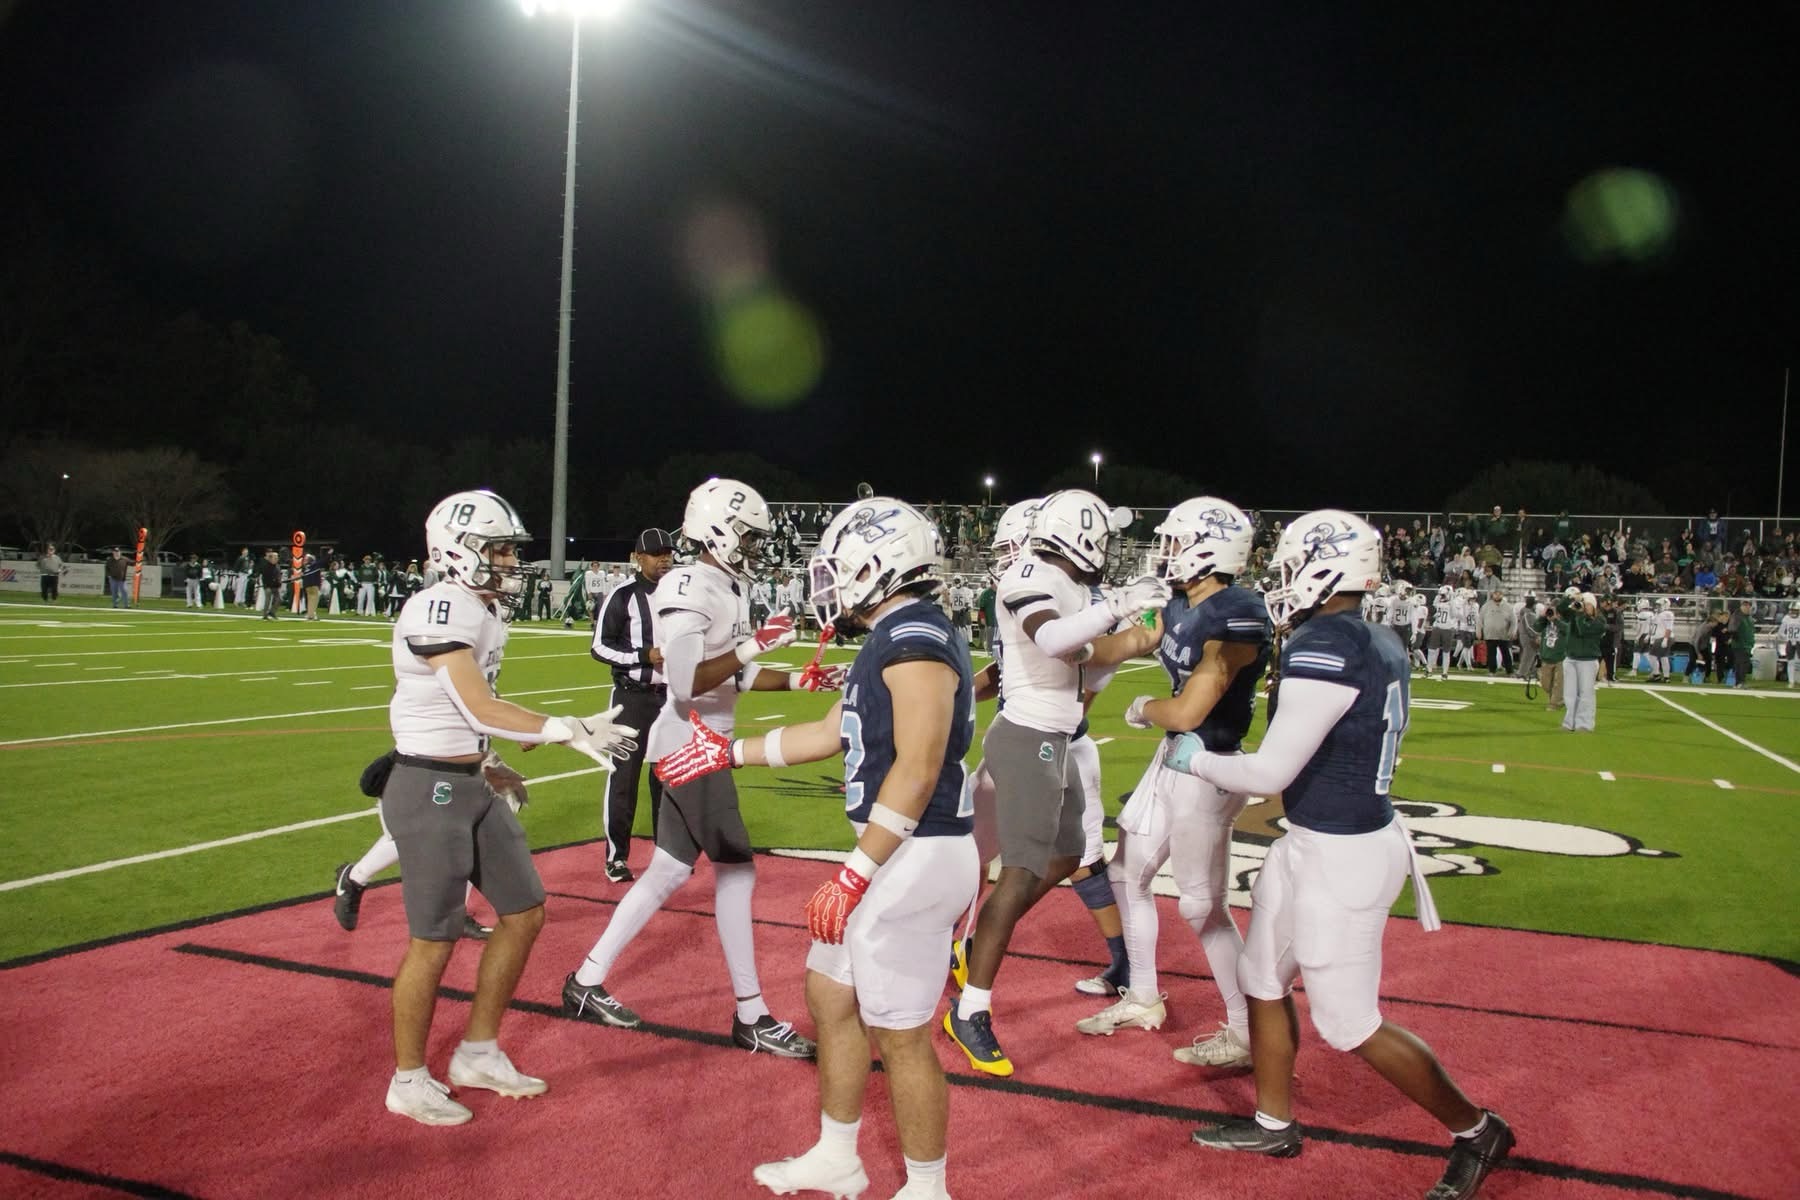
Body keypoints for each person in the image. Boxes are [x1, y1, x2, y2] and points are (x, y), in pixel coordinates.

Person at [1175, 509, 1513, 1200]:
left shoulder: (1324, 642)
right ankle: (1274, 1123)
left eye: (1291, 566)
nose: (1282, 579)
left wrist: (1197, 760)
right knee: (1260, 977)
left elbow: (1270, 772)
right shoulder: (1374, 636)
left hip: (1343, 854)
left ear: (1322, 568)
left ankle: (1478, 1130)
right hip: (1315, 841)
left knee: (1348, 1022)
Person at [659, 498, 975, 1200]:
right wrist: (729, 752)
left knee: (901, 1034)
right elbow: (833, 731)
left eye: (839, 568)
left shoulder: (915, 636)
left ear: (878, 565)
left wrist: (855, 874)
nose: (828, 583)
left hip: (917, 853)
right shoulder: (894, 632)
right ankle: (838, 1156)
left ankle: (927, 1189)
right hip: (898, 849)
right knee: (831, 995)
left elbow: (919, 768)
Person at [378, 488, 637, 1126]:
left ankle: (478, 1052)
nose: (508, 561)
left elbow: (472, 714)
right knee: (434, 940)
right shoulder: (437, 605)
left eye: (507, 550)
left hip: (470, 780)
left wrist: (490, 761)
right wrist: (566, 728)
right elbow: (478, 704)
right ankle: (407, 1079)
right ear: (456, 551)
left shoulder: (486, 610)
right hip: (429, 787)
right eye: (496, 549)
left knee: (524, 912)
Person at [563, 478, 821, 1058]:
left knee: (669, 869)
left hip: (697, 740)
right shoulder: (688, 584)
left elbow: (732, 674)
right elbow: (683, 681)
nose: (753, 547)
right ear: (718, 531)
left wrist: (800, 679)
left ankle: (585, 980)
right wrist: (756, 644)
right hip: (692, 745)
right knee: (736, 872)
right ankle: (751, 1015)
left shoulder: (723, 585)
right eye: (747, 536)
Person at [943, 489, 1169, 1077]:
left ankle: (981, 939)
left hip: (1057, 739)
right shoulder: (1029, 574)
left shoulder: (1068, 585)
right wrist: (1119, 606)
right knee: (1018, 873)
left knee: (1069, 854)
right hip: (1027, 737)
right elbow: (1052, 640)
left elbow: (1086, 657)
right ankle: (970, 1009)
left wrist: (1136, 633)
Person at [1083, 498, 1271, 1070]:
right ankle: (1143, 995)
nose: (1166, 553)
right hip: (1174, 759)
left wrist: (1144, 707)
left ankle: (1246, 1032)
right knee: (1126, 872)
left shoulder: (1239, 612)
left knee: (1202, 907)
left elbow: (1189, 711)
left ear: (1211, 549)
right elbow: (1134, 641)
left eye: (1176, 542)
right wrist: (1067, 645)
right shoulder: (1178, 601)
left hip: (1211, 765)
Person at [590, 528, 677, 882]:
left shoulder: (681, 594)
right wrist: (643, 656)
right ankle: (616, 857)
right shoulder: (623, 595)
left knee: (667, 779)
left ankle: (667, 854)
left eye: (668, 553)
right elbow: (599, 647)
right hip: (631, 698)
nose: (664, 559)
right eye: (656, 554)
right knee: (623, 779)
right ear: (639, 558)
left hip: (670, 699)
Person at [1558, 591, 1604, 730]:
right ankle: (1569, 723)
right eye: (1583, 604)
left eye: (1588, 604)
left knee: (1586, 693)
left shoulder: (1600, 621)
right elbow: (1561, 609)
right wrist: (1570, 598)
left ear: (1594, 606)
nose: (1584, 607)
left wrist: (1579, 614)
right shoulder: (1575, 615)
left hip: (1588, 660)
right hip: (1571, 658)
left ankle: (1584, 724)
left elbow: (1583, 629)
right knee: (1569, 694)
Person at [1533, 601, 1568, 711]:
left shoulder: (1565, 620)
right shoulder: (1545, 621)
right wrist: (1543, 616)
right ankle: (1558, 699)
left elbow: (1568, 630)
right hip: (1546, 656)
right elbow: (1536, 627)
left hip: (1561, 657)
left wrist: (1556, 620)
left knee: (1558, 683)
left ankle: (1555, 704)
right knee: (1546, 684)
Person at [1479, 591, 1512, 675]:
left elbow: (1513, 620)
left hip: (1503, 634)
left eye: (1499, 594)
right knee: (1491, 654)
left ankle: (1509, 670)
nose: (1497, 596)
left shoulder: (1508, 606)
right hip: (1490, 634)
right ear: (1492, 595)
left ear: (1502, 595)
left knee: (1506, 653)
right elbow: (1480, 619)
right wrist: (1479, 631)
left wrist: (1512, 631)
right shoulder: (1486, 606)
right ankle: (1492, 670)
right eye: (1495, 594)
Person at [1728, 599, 1757, 688]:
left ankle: (1739, 682)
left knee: (1742, 664)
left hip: (1747, 645)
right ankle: (1740, 682)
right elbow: (1732, 629)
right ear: (1741, 606)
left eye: (1748, 605)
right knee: (1742, 664)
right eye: (1745, 605)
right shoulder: (1737, 616)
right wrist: (1737, 639)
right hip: (1740, 645)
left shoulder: (1748, 617)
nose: (1747, 607)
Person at [1777, 600, 1800, 688]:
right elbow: (1780, 632)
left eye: (1795, 610)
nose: (1793, 612)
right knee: (1790, 662)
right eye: (1792, 610)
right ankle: (1791, 681)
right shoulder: (1786, 618)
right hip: (1790, 641)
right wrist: (1787, 637)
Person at [256, 549, 283, 620]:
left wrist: (279, 582)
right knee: (268, 599)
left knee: (279, 600)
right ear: (271, 559)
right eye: (275, 558)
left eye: (277, 558)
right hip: (268, 585)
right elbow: (265, 577)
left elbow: (279, 575)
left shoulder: (277, 566)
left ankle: (272, 612)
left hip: (275, 586)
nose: (277, 559)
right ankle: (265, 614)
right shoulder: (266, 566)